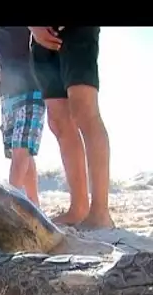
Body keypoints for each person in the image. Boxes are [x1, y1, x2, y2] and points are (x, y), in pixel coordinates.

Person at [29, 26, 113, 229]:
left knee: (84, 110)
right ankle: (79, 208)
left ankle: (100, 211)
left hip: (76, 31)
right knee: (58, 122)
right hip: (40, 38)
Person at [0, 27, 46, 207]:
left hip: (27, 93)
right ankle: (34, 204)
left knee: (20, 149)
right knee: (22, 151)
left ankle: (7, 206)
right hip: (16, 94)